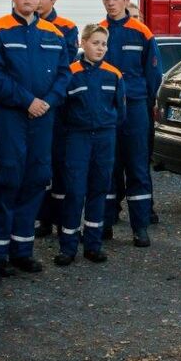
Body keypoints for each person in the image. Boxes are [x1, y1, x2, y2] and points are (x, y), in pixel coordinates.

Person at [0, 0, 71, 276]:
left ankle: (22, 250)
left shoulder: (54, 33)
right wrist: (27, 101)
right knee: (7, 180)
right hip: (11, 118)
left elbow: (64, 74)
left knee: (35, 180)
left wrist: (48, 100)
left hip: (43, 118)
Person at [54, 24, 125, 266]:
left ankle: (93, 245)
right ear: (83, 43)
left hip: (105, 138)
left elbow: (121, 111)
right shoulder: (70, 74)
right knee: (75, 192)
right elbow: (61, 112)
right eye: (95, 43)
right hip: (78, 138)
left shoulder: (114, 75)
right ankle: (68, 247)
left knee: (99, 190)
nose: (100, 48)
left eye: (104, 44)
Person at [99, 0, 162, 248]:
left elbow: (154, 74)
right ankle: (105, 224)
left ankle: (140, 227)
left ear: (126, 0)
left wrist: (142, 101)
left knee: (137, 167)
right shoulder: (98, 31)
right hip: (105, 108)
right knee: (107, 168)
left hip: (135, 107)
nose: (111, 3)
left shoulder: (142, 32)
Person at [34, 0, 79, 239]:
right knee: (40, 164)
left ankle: (62, 218)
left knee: (61, 164)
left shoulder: (66, 27)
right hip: (33, 106)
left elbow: (66, 66)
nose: (37, 2)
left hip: (58, 106)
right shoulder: (24, 26)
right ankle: (41, 219)